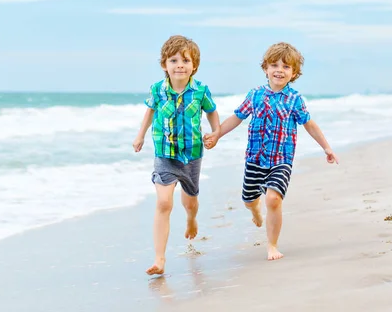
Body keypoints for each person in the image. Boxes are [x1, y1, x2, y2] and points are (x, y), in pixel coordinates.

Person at [206, 42, 338, 261]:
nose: (279, 70)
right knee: (249, 199)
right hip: (255, 159)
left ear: (294, 73)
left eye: (286, 67)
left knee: (274, 199)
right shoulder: (255, 95)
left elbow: (310, 124)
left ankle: (272, 245)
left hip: (281, 160)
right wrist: (217, 134)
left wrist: (327, 148)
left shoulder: (294, 99)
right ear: (265, 68)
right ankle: (254, 209)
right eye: (274, 65)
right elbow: (237, 117)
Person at [133, 35, 220, 275]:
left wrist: (217, 132)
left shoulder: (200, 90)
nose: (179, 64)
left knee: (190, 200)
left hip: (192, 154)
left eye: (185, 60)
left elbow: (212, 112)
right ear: (164, 65)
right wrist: (140, 135)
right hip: (165, 153)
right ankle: (159, 259)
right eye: (173, 60)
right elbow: (149, 113)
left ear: (194, 66)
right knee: (163, 202)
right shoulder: (157, 90)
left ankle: (191, 219)